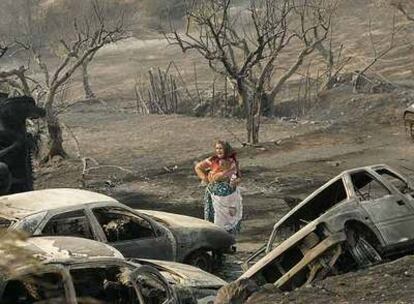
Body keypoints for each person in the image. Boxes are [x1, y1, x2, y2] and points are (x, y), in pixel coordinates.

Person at [195, 140, 242, 234]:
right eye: (217, 148)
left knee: (229, 219)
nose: (218, 151)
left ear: (226, 149)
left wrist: (235, 181)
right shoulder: (213, 160)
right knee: (215, 219)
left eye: (221, 148)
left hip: (229, 196)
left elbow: (238, 177)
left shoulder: (232, 161)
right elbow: (198, 167)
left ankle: (228, 241)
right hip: (214, 195)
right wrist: (205, 178)